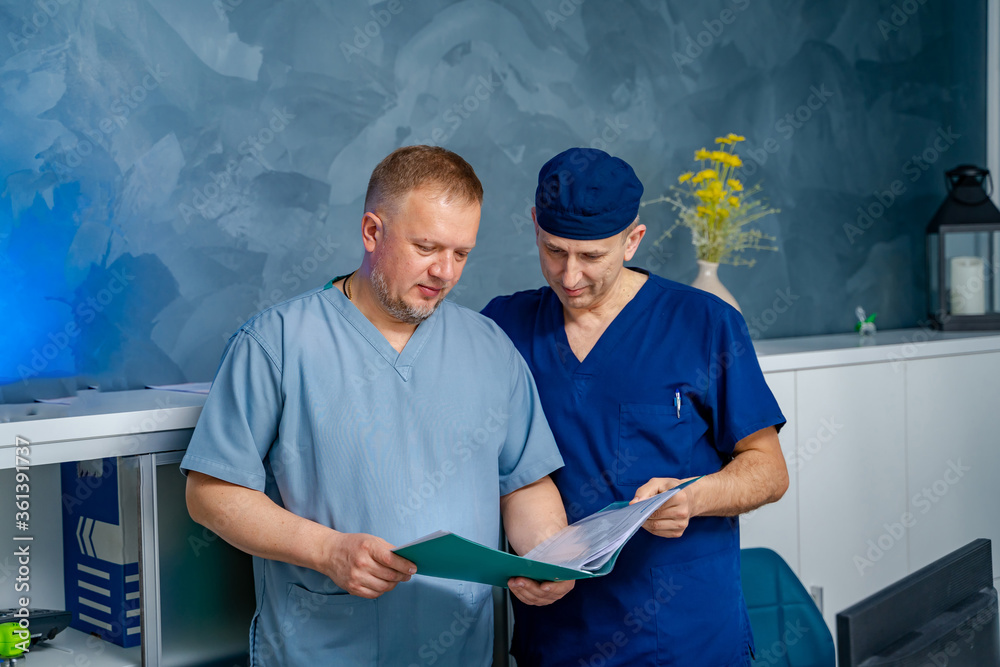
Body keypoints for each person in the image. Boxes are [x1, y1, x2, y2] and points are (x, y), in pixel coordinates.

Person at [181, 145, 574, 666]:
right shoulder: (276, 343)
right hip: (322, 647)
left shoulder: (490, 348)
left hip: (461, 650)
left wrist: (550, 558)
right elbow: (210, 493)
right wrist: (327, 552)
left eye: (461, 254)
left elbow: (523, 482)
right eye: (427, 247)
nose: (445, 271)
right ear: (372, 232)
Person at [482, 147, 789, 666]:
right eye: (555, 251)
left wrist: (694, 495)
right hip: (559, 637)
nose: (571, 275)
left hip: (683, 636)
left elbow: (769, 471)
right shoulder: (504, 328)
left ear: (633, 239)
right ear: (535, 225)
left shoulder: (705, 324)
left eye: (592, 257)